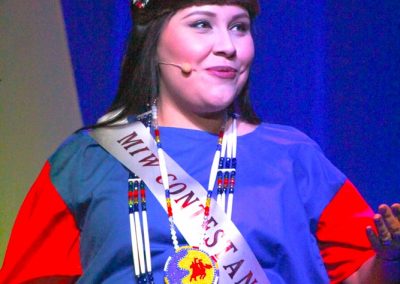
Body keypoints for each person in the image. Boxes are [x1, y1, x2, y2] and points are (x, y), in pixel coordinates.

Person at [1, 0, 399, 283]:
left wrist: (390, 258)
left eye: (239, 26)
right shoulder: (85, 160)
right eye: (202, 23)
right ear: (152, 39)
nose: (227, 45)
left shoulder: (294, 157)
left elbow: (360, 275)